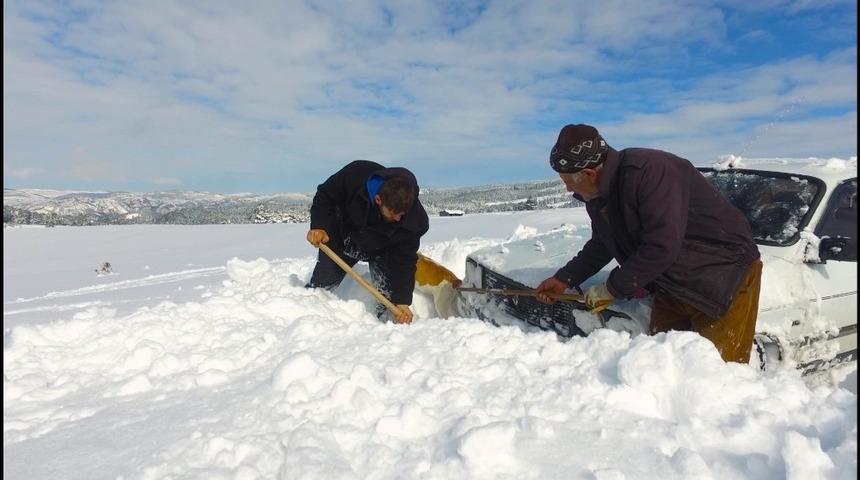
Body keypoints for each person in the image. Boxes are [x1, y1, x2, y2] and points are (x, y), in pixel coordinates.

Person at [535, 124, 763, 363]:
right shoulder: (598, 195)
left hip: (721, 276)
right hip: (672, 280)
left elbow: (661, 245)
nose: (567, 188)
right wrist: (565, 278)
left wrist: (611, 288)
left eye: (568, 181)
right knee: (662, 366)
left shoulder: (650, 172)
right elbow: (603, 243)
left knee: (718, 373)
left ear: (590, 173)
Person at [305, 160, 429, 324]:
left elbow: (404, 260)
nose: (399, 218)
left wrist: (403, 301)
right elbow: (325, 196)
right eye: (393, 214)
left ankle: (376, 325)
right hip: (343, 237)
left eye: (402, 214)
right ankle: (307, 317)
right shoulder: (355, 175)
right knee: (320, 290)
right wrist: (319, 226)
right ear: (378, 200)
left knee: (387, 300)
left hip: (384, 249)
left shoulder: (414, 220)